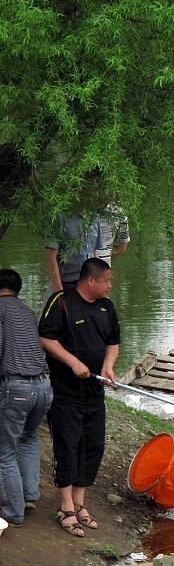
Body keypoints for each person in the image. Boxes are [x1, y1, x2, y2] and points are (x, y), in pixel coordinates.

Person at [38, 257, 119, 538]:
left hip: (95, 393)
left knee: (93, 447)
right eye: (107, 280)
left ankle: (80, 502)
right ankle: (66, 507)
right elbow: (45, 338)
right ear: (91, 281)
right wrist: (72, 361)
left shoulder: (107, 307)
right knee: (68, 447)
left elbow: (113, 342)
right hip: (65, 394)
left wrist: (108, 365)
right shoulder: (61, 302)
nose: (110, 285)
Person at [0, 268, 52, 527]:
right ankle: (29, 495)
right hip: (43, 387)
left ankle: (12, 511)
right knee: (29, 438)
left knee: (4, 452)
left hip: (17, 387)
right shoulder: (28, 312)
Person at [44, 211, 103, 295]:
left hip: (90, 285)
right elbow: (51, 257)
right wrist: (59, 293)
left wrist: (100, 283)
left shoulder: (94, 217)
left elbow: (94, 252)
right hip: (67, 284)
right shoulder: (59, 217)